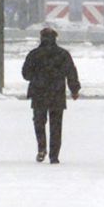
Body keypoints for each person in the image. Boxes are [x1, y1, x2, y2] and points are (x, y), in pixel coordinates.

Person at [21, 25, 80, 164]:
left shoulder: (34, 54)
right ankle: (54, 155)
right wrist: (74, 90)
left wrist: (37, 76)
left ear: (41, 38)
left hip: (39, 93)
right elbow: (71, 72)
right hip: (57, 93)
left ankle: (42, 148)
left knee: (39, 122)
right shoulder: (63, 54)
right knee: (56, 125)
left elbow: (26, 74)